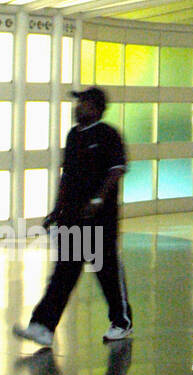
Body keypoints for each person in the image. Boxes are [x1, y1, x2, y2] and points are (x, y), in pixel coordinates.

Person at [13, 87, 132, 348]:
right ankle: (43, 327)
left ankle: (121, 322)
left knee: (107, 271)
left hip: (100, 220)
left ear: (97, 108)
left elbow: (117, 170)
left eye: (84, 103)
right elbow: (67, 175)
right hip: (72, 219)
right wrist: (57, 209)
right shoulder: (73, 136)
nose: (77, 107)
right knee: (63, 273)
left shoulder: (108, 135)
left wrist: (98, 199)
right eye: (77, 103)